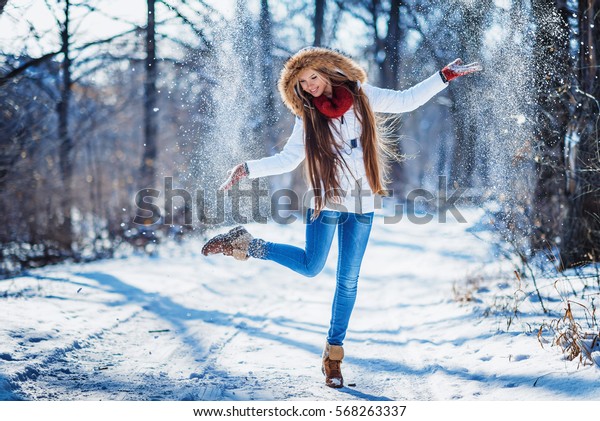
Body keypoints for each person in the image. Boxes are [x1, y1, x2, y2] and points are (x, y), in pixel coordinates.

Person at [201, 47, 481, 388]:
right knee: (310, 266)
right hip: (326, 200)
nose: (309, 86)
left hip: (363, 206)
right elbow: (289, 159)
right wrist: (248, 168)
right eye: (302, 83)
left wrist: (444, 76)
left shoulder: (362, 96)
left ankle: (333, 357)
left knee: (348, 281)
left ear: (328, 71)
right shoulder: (306, 115)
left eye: (313, 77)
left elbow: (407, 100)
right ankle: (246, 244)